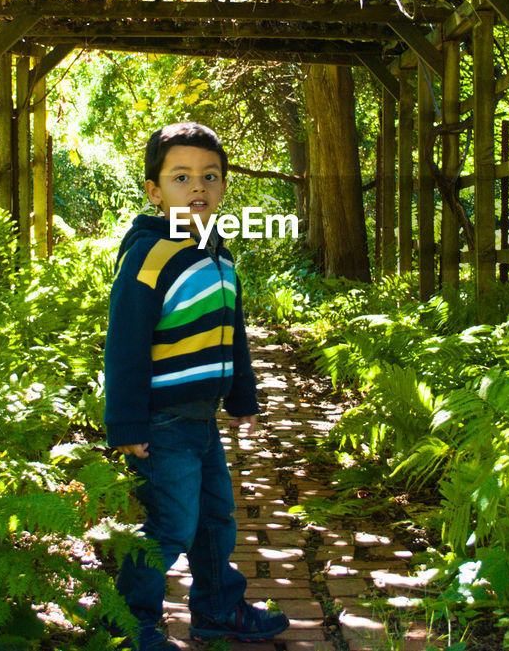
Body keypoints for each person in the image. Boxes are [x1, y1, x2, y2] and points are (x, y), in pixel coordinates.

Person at [103, 122, 290, 650]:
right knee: (171, 526)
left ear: (225, 186)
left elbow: (233, 333)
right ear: (155, 191)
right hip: (161, 422)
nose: (199, 188)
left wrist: (243, 396)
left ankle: (216, 608)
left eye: (210, 176)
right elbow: (125, 344)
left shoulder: (218, 254)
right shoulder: (150, 255)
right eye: (181, 177)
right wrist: (127, 423)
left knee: (215, 519)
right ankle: (129, 618)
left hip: (201, 419)